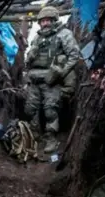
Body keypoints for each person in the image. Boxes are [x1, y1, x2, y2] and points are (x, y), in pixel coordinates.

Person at [25, 6, 81, 154]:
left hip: (51, 80)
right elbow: (28, 59)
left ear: (54, 20)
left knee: (50, 111)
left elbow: (74, 55)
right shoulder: (37, 38)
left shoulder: (64, 34)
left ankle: (51, 139)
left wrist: (61, 73)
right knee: (30, 109)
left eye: (48, 20)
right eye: (42, 21)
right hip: (34, 79)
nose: (45, 23)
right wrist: (30, 56)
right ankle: (35, 135)